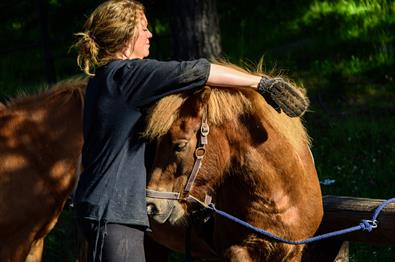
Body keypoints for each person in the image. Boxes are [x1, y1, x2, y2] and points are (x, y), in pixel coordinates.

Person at [72, 0, 308, 261]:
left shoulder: (104, 78)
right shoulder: (129, 75)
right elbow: (198, 71)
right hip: (113, 213)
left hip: (101, 210)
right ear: (127, 35)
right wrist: (261, 83)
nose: (150, 34)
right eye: (144, 28)